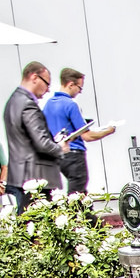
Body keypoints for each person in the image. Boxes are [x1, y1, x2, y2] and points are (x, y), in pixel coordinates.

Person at [2, 61, 66, 213]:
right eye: (47, 83)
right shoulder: (27, 104)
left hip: (22, 173)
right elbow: (41, 142)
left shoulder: (13, 101)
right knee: (37, 221)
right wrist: (60, 148)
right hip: (36, 175)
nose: (48, 89)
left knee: (29, 219)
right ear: (34, 77)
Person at [41, 67, 116, 196]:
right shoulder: (71, 105)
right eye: (79, 88)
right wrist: (109, 130)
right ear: (71, 84)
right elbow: (87, 136)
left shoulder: (48, 104)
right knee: (77, 195)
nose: (80, 92)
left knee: (69, 193)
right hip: (74, 155)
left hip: (56, 154)